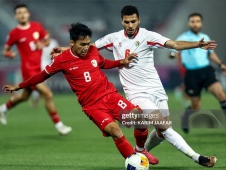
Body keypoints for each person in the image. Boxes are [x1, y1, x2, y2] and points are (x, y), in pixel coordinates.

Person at [52, 6, 217, 167]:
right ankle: (197, 157)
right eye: (126, 22)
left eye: (133, 21)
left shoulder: (148, 36)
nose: (130, 25)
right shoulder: (114, 38)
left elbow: (173, 44)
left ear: (139, 20)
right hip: (137, 94)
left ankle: (140, 151)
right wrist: (66, 49)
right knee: (164, 126)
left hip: (157, 91)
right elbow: (90, 46)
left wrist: (197, 44)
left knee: (161, 131)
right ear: (121, 21)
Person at [2, 22, 144, 161]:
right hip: (93, 106)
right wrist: (19, 86)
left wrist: (121, 62)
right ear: (72, 42)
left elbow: (103, 63)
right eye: (82, 44)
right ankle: (135, 162)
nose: (86, 48)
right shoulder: (61, 60)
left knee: (140, 120)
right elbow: (41, 76)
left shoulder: (93, 51)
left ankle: (142, 151)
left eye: (88, 43)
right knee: (115, 131)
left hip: (110, 96)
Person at [0, 4, 72, 135]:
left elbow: (47, 41)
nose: (22, 14)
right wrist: (10, 54)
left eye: (24, 12)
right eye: (19, 13)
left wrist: (42, 44)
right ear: (16, 16)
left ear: (28, 14)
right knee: (48, 94)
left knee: (24, 97)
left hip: (38, 68)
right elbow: (5, 50)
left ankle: (3, 108)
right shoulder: (14, 33)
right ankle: (59, 125)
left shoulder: (37, 26)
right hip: (28, 70)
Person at [173, 13, 226, 133]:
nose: (195, 23)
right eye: (192, 21)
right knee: (196, 107)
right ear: (189, 23)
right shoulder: (182, 38)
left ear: (201, 23)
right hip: (191, 74)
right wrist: (173, 55)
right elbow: (173, 52)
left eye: (197, 21)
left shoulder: (205, 37)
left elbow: (211, 53)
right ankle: (186, 116)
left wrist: (220, 64)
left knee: (222, 96)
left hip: (206, 71)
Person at [30, 37, 60, 107]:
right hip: (45, 65)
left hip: (39, 64)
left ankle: (36, 96)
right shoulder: (52, 42)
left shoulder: (38, 42)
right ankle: (36, 96)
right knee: (42, 84)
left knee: (39, 84)